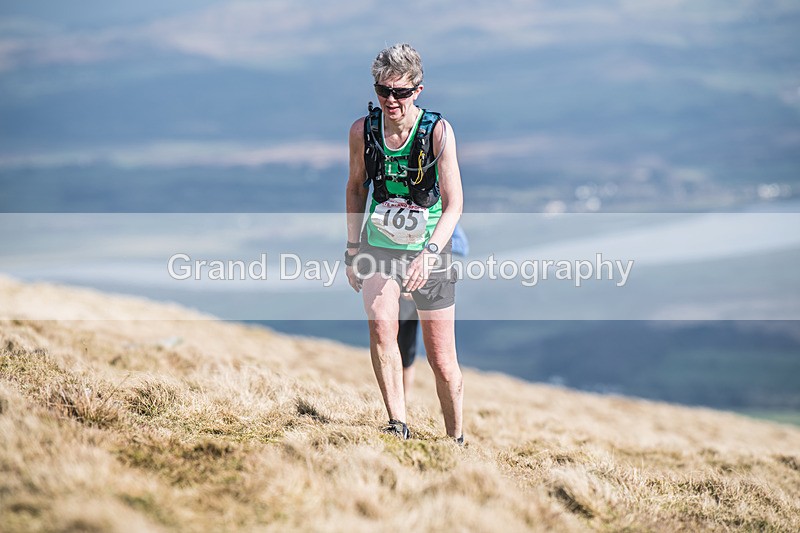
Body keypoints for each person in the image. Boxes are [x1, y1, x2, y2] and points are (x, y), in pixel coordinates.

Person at [344, 43, 465, 443]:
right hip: (379, 243)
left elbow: (454, 204)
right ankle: (397, 423)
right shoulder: (363, 131)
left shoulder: (437, 132)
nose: (391, 100)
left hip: (430, 250)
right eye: (383, 91)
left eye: (400, 92)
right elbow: (356, 188)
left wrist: (430, 254)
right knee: (382, 328)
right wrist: (351, 247)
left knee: (441, 359)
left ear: (418, 90)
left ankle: (456, 438)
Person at [398, 223, 469, 401]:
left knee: (440, 356)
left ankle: (406, 401)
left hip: (432, 285)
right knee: (403, 347)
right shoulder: (403, 210)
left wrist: (431, 248)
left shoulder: (440, 214)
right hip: (403, 287)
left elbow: (462, 245)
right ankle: (402, 405)